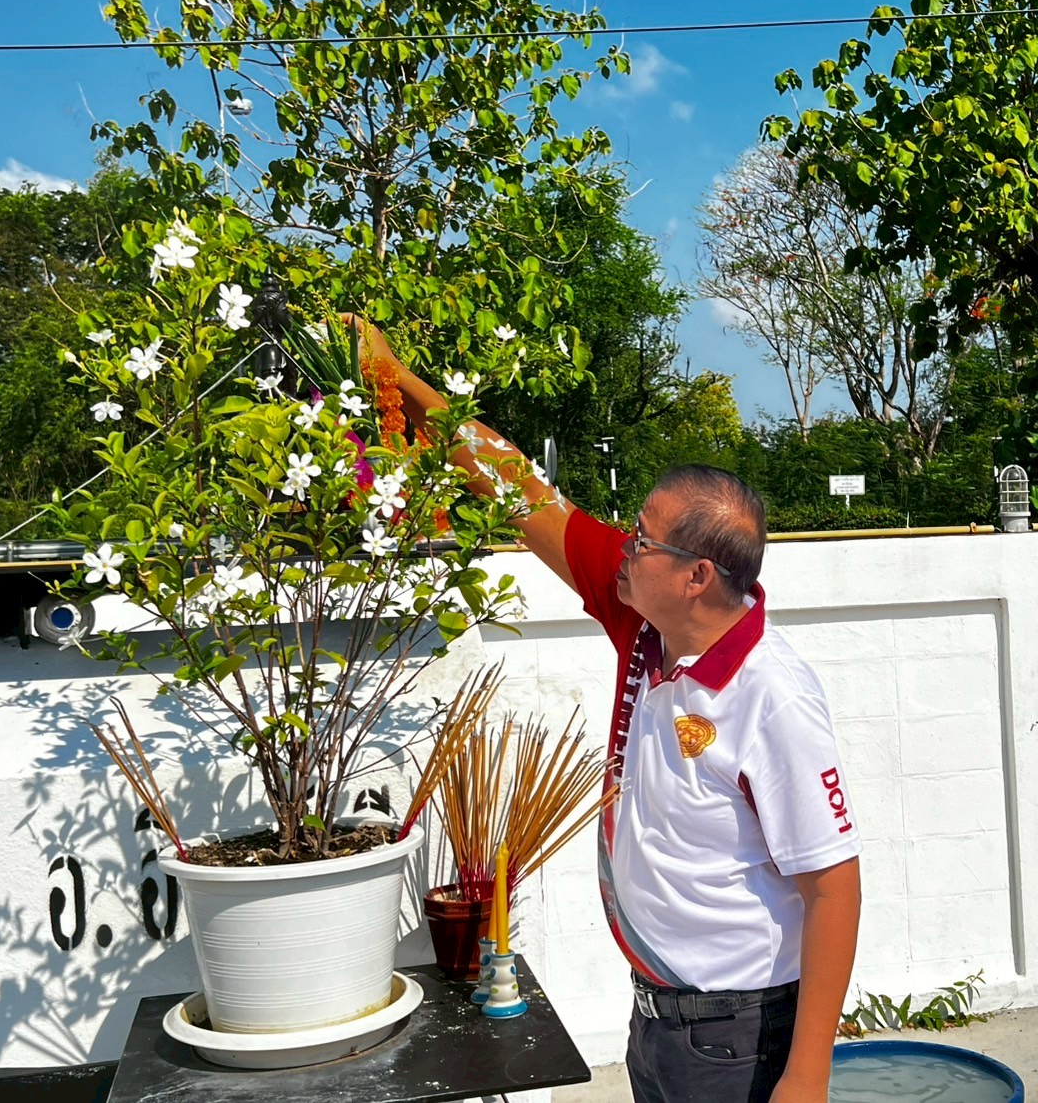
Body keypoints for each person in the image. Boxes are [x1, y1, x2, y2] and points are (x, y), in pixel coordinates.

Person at [347, 318, 862, 1103]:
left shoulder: (771, 695)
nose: (623, 545)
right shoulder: (644, 621)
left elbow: (834, 888)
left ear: (695, 576)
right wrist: (401, 380)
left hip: (737, 1038)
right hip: (658, 1020)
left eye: (642, 539)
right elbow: (520, 488)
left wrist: (807, 1074)